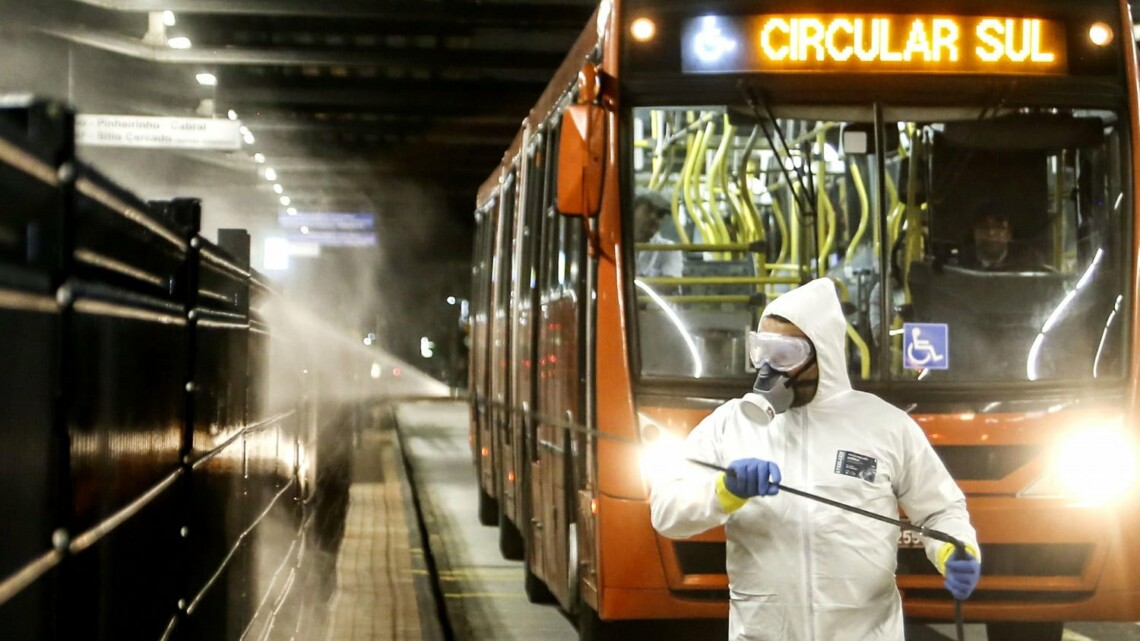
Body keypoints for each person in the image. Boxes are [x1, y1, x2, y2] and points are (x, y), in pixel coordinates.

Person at [649, 278, 981, 641]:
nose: (769, 368)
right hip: (764, 633)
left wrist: (954, 548)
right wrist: (722, 492)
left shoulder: (885, 425)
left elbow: (939, 509)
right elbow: (666, 512)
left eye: (786, 354)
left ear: (823, 353)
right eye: (762, 351)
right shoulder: (731, 426)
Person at [633, 188, 683, 279]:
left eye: (660, 214)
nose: (653, 217)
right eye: (648, 210)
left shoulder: (668, 249)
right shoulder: (613, 246)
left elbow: (670, 286)